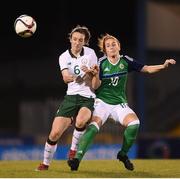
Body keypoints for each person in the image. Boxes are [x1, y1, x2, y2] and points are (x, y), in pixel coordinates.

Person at [68, 34, 176, 171]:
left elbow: (147, 68)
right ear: (105, 50)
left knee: (135, 124)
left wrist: (163, 65)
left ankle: (123, 154)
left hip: (119, 104)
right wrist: (94, 75)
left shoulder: (125, 61)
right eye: (108, 46)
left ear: (119, 46)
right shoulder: (100, 63)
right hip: (102, 102)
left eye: (114, 44)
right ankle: (77, 159)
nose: (111, 47)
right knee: (94, 126)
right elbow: (95, 86)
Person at [36, 25, 98, 171]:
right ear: (70, 39)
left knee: (82, 120)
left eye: (81, 40)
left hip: (87, 96)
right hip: (70, 97)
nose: (77, 42)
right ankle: (45, 164)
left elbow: (94, 78)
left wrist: (90, 72)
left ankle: (73, 152)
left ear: (85, 42)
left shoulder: (90, 54)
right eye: (75, 39)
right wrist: (73, 77)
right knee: (55, 133)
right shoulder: (63, 57)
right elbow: (65, 77)